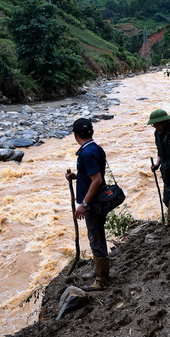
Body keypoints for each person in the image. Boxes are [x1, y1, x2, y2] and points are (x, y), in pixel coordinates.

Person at [65, 118, 110, 291]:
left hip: (93, 203)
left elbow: (97, 180)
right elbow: (94, 174)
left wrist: (84, 203)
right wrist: (78, 176)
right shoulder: (96, 149)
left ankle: (101, 280)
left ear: (75, 135)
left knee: (95, 238)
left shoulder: (86, 154)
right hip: (99, 200)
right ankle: (100, 271)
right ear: (92, 132)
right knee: (97, 235)